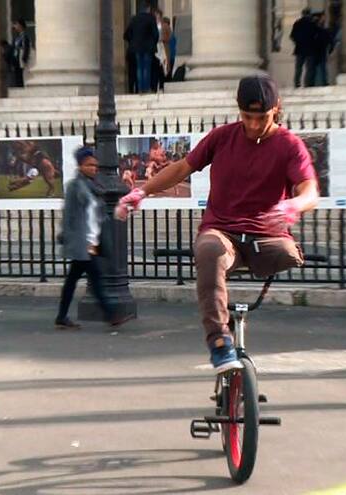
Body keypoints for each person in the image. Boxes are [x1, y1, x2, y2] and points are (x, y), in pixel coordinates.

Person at [116, 75, 320, 372]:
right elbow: (182, 167)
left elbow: (310, 189)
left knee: (290, 254)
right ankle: (220, 343)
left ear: (276, 109)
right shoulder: (222, 137)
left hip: (266, 235)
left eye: (260, 117)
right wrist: (142, 191)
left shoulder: (289, 145)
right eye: (246, 116)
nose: (253, 125)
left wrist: (294, 204)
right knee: (209, 249)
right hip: (223, 232)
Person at [55, 147, 131, 330]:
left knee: (73, 279)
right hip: (82, 241)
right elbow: (69, 214)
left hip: (91, 240)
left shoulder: (93, 186)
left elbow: (96, 213)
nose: (94, 168)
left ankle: (62, 316)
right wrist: (67, 235)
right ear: (80, 165)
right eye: (89, 165)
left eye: (95, 165)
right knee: (94, 278)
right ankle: (111, 315)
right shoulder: (75, 186)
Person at [124, 2, 159, 93]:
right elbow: (156, 34)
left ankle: (140, 88)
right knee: (146, 68)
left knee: (139, 68)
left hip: (136, 47)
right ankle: (145, 88)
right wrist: (153, 42)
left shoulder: (134, 19)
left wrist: (132, 41)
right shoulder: (151, 18)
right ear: (148, 9)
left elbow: (126, 34)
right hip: (148, 47)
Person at [290, 9, 315, 88]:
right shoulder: (312, 24)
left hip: (300, 48)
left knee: (298, 68)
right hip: (310, 48)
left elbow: (292, 36)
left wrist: (297, 42)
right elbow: (315, 36)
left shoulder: (297, 23)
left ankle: (297, 83)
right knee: (309, 68)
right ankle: (307, 83)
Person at [307, 12, 332, 87]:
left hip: (320, 51)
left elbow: (328, 39)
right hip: (315, 51)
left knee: (321, 68)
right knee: (313, 68)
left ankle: (322, 82)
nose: (323, 19)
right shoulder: (314, 28)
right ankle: (312, 82)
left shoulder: (322, 29)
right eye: (323, 18)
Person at [10, 20, 31, 88]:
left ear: (21, 26)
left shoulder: (24, 36)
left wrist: (24, 58)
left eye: (16, 25)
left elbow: (26, 48)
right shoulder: (18, 37)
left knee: (21, 74)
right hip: (16, 58)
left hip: (20, 58)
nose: (15, 27)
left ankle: (21, 86)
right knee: (17, 74)